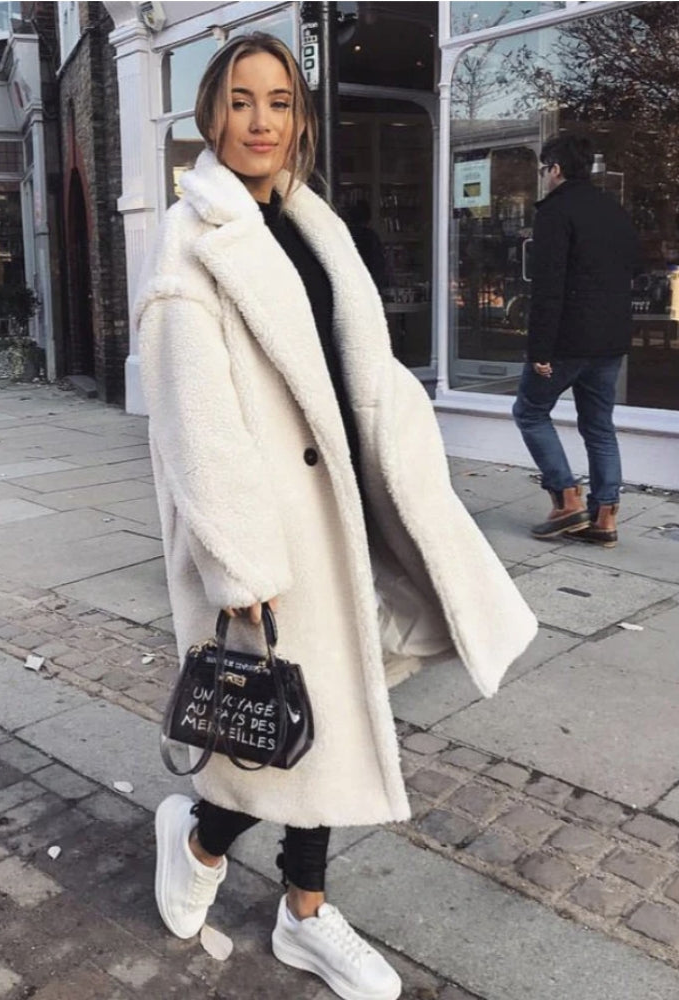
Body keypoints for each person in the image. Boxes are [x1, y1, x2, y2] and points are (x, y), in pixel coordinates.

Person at [134, 33, 537, 1000]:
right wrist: (241, 564)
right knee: (293, 724)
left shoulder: (313, 224)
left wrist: (411, 461)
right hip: (271, 529)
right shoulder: (190, 241)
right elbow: (195, 422)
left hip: (347, 505)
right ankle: (238, 865)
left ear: (299, 117)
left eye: (279, 101)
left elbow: (360, 365)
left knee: (333, 712)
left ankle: (275, 892)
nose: (261, 121)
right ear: (212, 113)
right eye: (241, 100)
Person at [513, 133, 641, 547]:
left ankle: (566, 498)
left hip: (568, 339)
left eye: (544, 169)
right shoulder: (614, 210)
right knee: (599, 426)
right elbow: (634, 266)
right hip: (610, 338)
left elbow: (548, 286)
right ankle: (604, 518)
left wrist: (539, 350)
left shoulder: (555, 212)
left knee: (530, 411)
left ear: (555, 169)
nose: (544, 176)